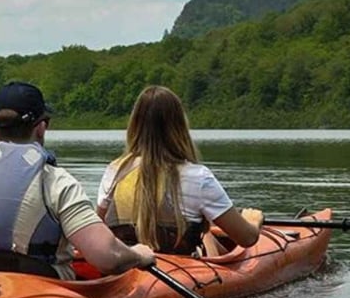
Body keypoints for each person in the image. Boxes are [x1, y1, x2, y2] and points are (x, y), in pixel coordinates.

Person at [0, 81, 155, 280]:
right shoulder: (57, 183)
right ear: (42, 127)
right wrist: (139, 255)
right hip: (44, 288)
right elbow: (107, 258)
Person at [95, 85, 263, 257]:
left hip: (125, 269)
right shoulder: (198, 178)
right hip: (178, 270)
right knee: (205, 235)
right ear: (180, 126)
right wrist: (253, 221)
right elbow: (247, 238)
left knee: (208, 235)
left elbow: (96, 229)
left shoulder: (115, 171)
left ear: (135, 125)